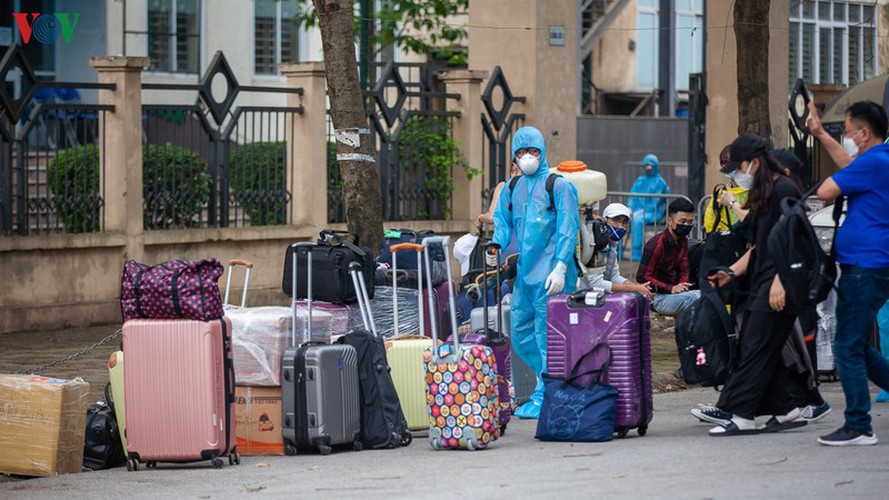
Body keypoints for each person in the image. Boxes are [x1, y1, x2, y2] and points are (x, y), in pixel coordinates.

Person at [700, 133, 808, 436]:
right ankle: (787, 408)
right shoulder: (766, 192)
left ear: (755, 163)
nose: (737, 174)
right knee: (760, 346)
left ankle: (742, 414)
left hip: (777, 283)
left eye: (739, 166)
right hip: (763, 279)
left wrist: (780, 282)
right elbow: (759, 245)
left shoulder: (783, 190)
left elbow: (793, 240)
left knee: (753, 345)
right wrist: (731, 272)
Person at [489, 125, 580, 419]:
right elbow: (502, 222)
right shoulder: (512, 188)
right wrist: (495, 245)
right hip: (525, 277)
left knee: (547, 336)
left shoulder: (559, 186)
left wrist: (562, 265)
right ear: (514, 155)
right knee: (520, 332)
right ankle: (547, 383)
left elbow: (568, 227)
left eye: (533, 151)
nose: (527, 157)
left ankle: (547, 393)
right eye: (521, 152)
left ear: (542, 152)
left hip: (553, 276)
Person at [812, 100, 889, 446]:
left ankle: (859, 425)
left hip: (865, 265)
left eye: (846, 131)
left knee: (846, 344)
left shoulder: (872, 162)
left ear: (864, 132)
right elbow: (850, 168)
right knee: (854, 341)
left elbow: (827, 190)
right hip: (871, 265)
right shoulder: (879, 162)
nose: (846, 138)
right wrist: (818, 134)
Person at [635, 198, 700, 317]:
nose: (686, 225)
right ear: (670, 221)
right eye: (682, 221)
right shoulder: (656, 244)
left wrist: (682, 286)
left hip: (676, 295)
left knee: (708, 294)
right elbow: (642, 277)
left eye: (690, 222)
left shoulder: (683, 241)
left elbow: (684, 269)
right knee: (698, 298)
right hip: (657, 297)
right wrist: (671, 289)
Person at [578, 203, 653, 299]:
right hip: (583, 296)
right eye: (616, 220)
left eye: (625, 222)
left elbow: (614, 276)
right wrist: (635, 288)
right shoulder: (594, 243)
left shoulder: (612, 245)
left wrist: (639, 288)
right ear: (605, 220)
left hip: (598, 296)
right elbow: (596, 283)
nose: (620, 226)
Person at [629, 154, 670, 261]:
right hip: (636, 211)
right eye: (645, 165)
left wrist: (642, 211)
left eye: (650, 165)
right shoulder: (639, 180)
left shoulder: (660, 182)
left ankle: (636, 253)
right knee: (621, 219)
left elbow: (657, 202)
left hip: (653, 213)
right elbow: (631, 196)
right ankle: (616, 252)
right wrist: (630, 209)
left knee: (638, 221)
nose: (647, 168)